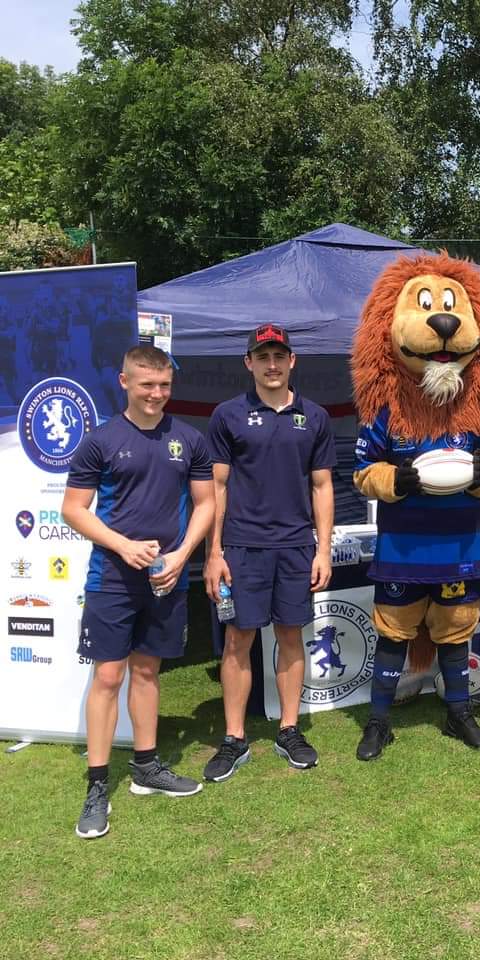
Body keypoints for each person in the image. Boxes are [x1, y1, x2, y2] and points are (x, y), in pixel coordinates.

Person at [63, 346, 215, 839]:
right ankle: (98, 784)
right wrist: (123, 546)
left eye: (164, 385)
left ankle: (147, 768)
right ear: (124, 381)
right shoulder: (100, 440)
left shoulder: (189, 439)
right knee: (109, 676)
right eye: (147, 384)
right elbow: (74, 508)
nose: (157, 394)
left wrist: (181, 555)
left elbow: (206, 503)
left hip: (164, 577)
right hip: (112, 577)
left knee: (148, 670)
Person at [202, 324, 335, 781]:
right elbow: (215, 487)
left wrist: (324, 549)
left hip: (297, 547)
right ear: (249, 363)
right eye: (263, 357)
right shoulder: (227, 415)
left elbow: (322, 486)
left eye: (280, 356)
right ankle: (234, 738)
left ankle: (289, 729)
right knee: (239, 640)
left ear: (292, 360)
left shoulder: (314, 416)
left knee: (291, 637)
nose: (272, 365)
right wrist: (214, 552)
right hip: (241, 547)